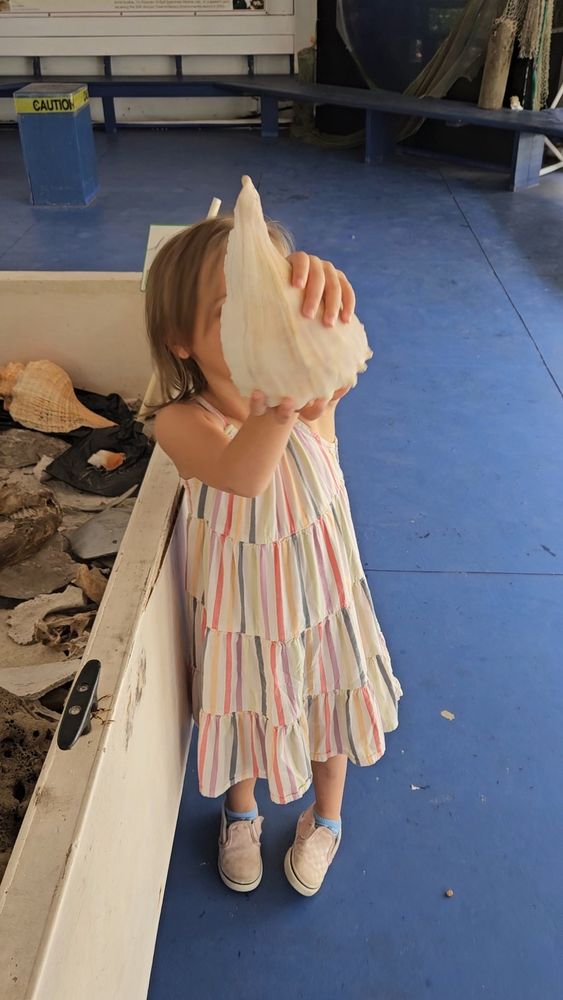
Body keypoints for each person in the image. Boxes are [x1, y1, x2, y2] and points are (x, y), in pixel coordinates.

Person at [145, 214, 403, 897]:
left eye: (273, 304)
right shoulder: (183, 420)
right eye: (238, 310)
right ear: (179, 338)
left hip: (323, 596)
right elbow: (242, 475)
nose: (266, 324)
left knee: (328, 708)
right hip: (244, 611)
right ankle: (240, 812)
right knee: (249, 705)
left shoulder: (306, 402)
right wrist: (285, 393)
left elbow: (326, 417)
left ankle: (326, 820)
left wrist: (323, 312)